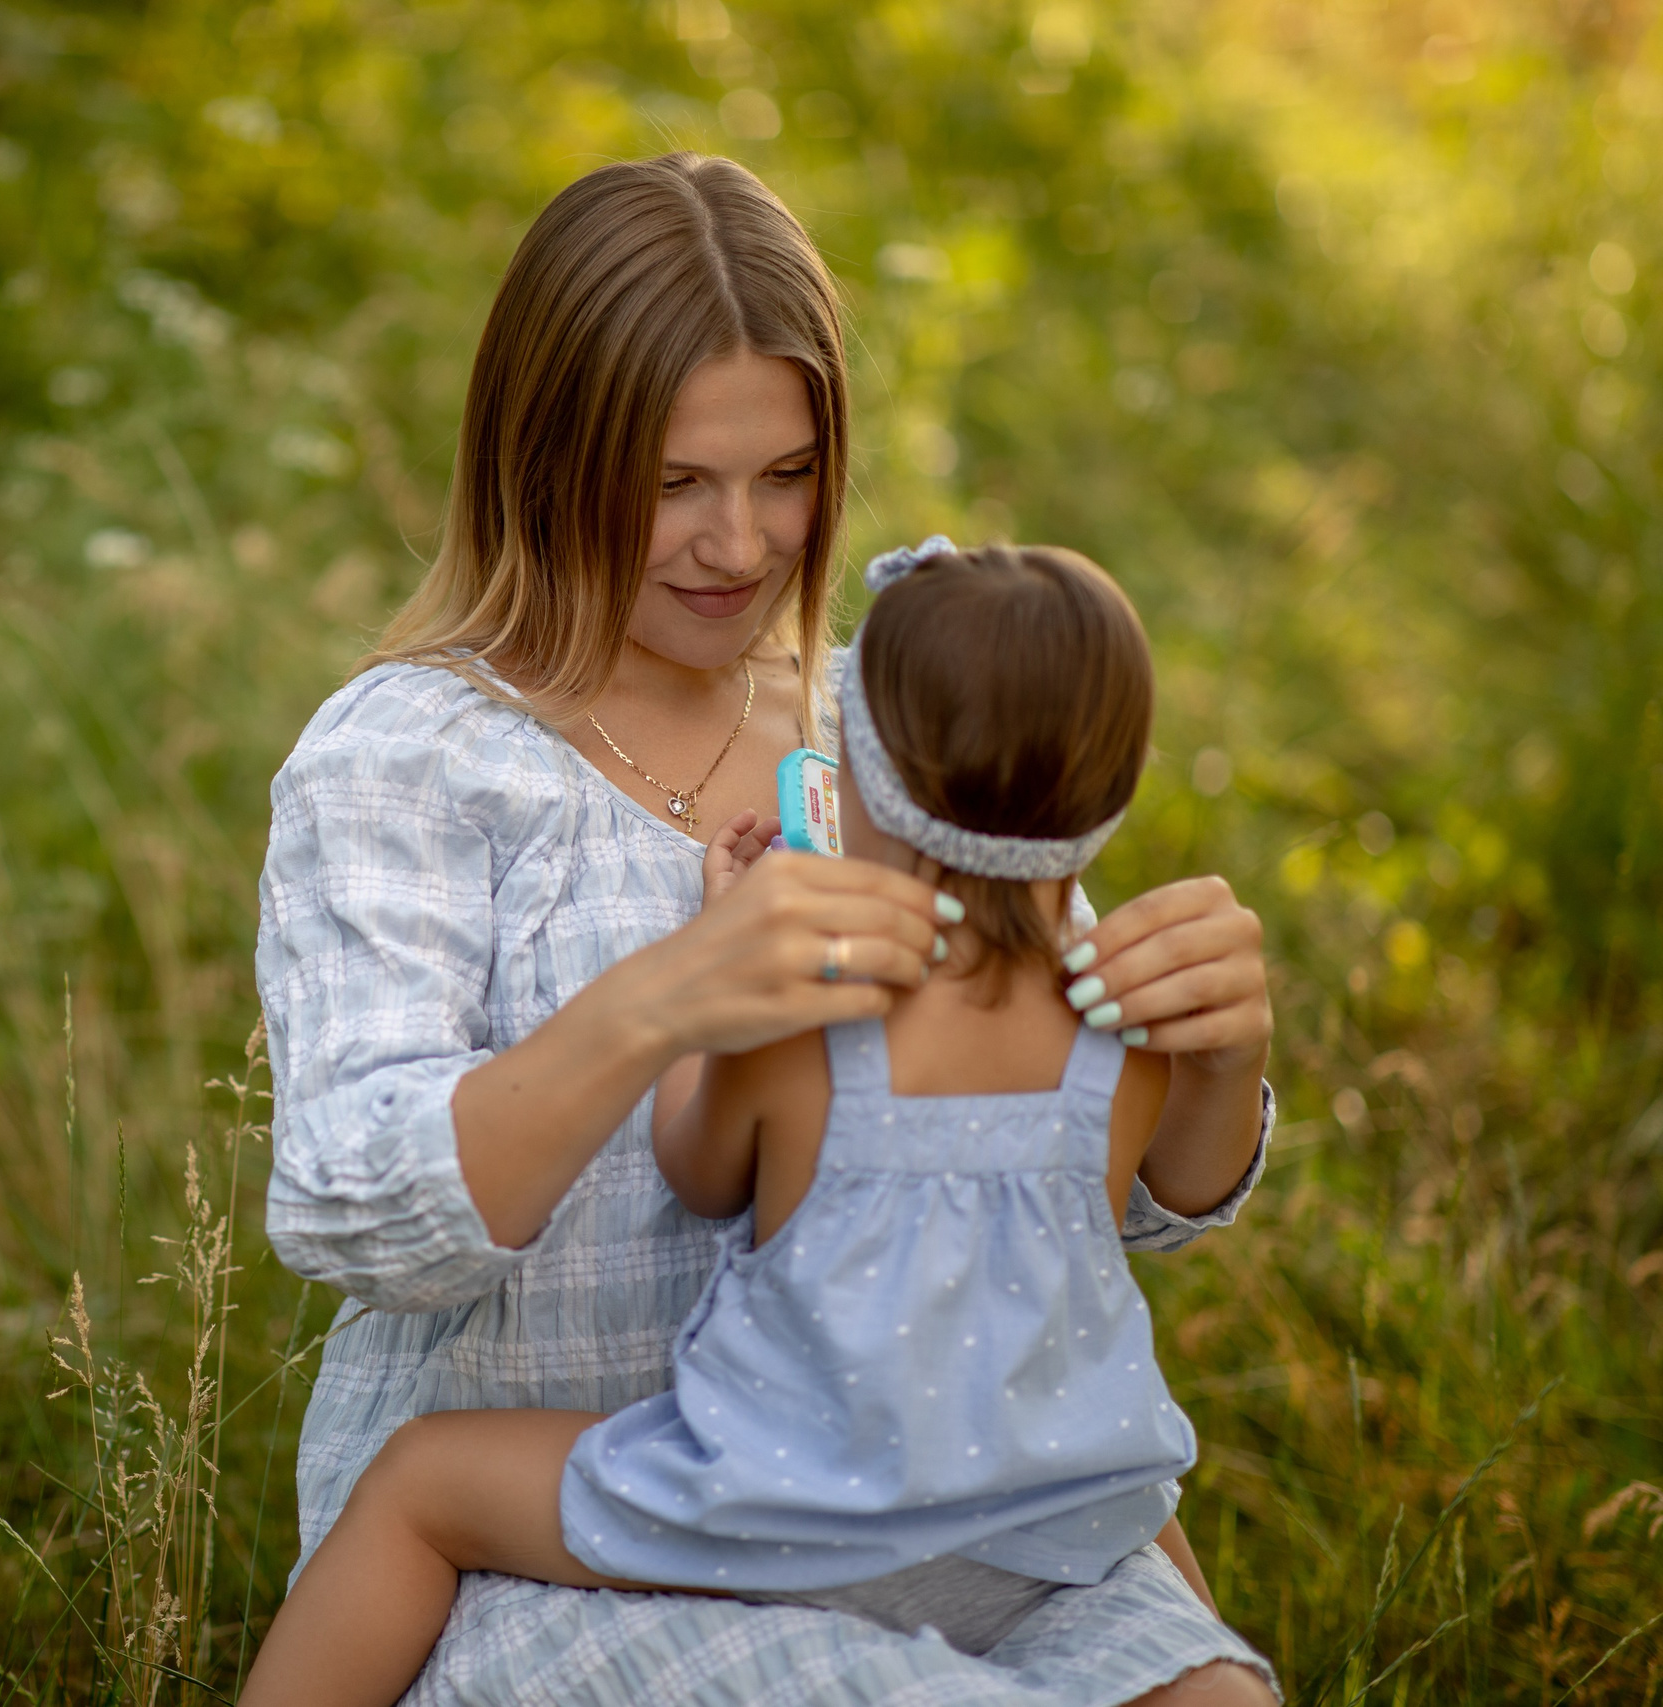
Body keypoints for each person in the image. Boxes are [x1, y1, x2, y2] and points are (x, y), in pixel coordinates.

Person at [254, 154, 1276, 1703]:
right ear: (538, 459)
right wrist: (667, 999)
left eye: (785, 475)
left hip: (934, 1499)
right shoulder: (410, 757)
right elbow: (354, 1214)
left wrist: (1214, 1061)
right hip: (567, 1540)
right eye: (672, 485)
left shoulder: (888, 722)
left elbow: (1086, 1185)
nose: (740, 545)